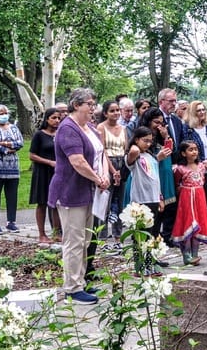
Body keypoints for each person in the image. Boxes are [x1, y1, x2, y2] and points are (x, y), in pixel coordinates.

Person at [48, 88, 111, 305]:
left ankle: (81, 280)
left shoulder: (90, 128)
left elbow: (101, 153)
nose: (93, 109)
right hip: (69, 192)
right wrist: (97, 179)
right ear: (77, 105)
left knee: (85, 240)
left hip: (88, 191)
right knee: (74, 241)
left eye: (94, 105)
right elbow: (78, 162)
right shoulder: (67, 129)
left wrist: (104, 175)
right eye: (90, 104)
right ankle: (72, 288)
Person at [125, 126, 164, 276]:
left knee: (153, 234)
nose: (148, 144)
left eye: (150, 141)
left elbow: (156, 178)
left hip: (154, 198)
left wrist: (160, 197)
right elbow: (133, 152)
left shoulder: (151, 157)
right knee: (140, 235)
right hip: (140, 200)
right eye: (144, 140)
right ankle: (140, 267)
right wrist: (134, 145)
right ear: (136, 140)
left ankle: (151, 264)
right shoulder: (133, 156)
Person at [138, 108, 178, 249]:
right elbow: (143, 161)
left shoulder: (161, 135)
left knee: (164, 213)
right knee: (151, 218)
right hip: (151, 179)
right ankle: (147, 253)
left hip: (164, 176)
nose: (159, 126)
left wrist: (166, 136)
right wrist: (157, 158)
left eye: (162, 123)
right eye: (156, 122)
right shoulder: (143, 138)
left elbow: (171, 151)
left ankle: (158, 247)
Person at [172, 140, 207, 265]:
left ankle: (195, 254)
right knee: (188, 223)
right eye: (190, 149)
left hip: (199, 198)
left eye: (195, 149)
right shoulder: (180, 169)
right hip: (186, 198)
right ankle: (186, 254)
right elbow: (176, 183)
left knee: (199, 224)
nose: (194, 152)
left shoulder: (201, 166)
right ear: (183, 153)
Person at [0, 104, 24, 235]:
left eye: (5, 112)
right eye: (0, 113)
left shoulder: (14, 127)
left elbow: (20, 143)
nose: (4, 115)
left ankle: (11, 222)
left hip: (13, 167)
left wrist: (4, 143)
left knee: (12, 195)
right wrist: (8, 149)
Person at [29, 108, 63, 244]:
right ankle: (42, 234)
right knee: (42, 203)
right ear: (47, 119)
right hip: (42, 172)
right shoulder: (39, 135)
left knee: (55, 203)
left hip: (57, 172)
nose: (56, 121)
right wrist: (49, 162)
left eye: (58, 118)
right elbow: (31, 155)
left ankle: (56, 232)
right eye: (54, 118)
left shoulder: (60, 134)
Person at [97, 100, 128, 249]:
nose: (115, 113)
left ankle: (117, 238)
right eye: (112, 110)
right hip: (106, 163)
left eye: (117, 110)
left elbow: (126, 149)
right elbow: (102, 151)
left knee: (119, 203)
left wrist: (121, 171)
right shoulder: (101, 127)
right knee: (105, 203)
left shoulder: (123, 128)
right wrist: (112, 170)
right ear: (105, 113)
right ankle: (102, 239)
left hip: (122, 163)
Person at [156, 89, 186, 242]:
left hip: (175, 166)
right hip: (161, 165)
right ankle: (157, 235)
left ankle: (168, 235)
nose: (174, 104)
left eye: (175, 101)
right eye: (170, 101)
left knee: (173, 203)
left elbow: (181, 143)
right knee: (162, 201)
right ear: (161, 102)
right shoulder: (156, 119)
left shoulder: (176, 121)